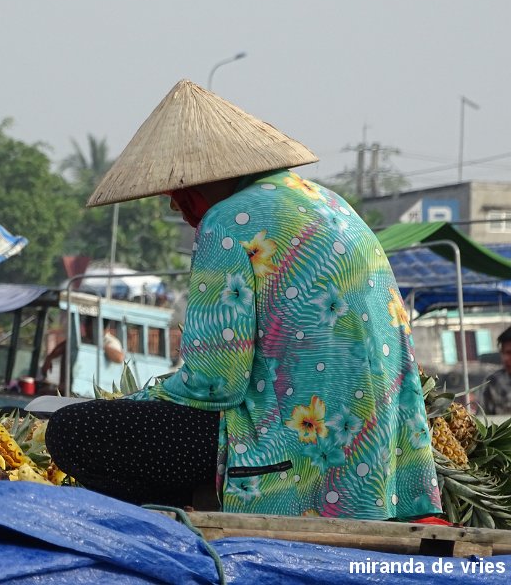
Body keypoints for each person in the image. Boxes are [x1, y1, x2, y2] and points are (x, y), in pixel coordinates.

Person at [46, 79, 441, 519]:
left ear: (215, 175)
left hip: (290, 454)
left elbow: (214, 385)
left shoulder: (229, 220)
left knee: (73, 431)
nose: (176, 204)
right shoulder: (329, 202)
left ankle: (171, 529)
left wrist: (132, 402)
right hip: (381, 457)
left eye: (182, 188)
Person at [481, 326, 511, 415]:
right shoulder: (493, 382)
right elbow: (482, 420)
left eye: (510, 353)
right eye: (504, 352)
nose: (506, 358)